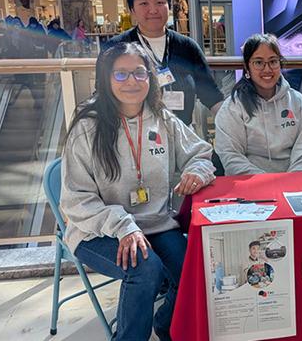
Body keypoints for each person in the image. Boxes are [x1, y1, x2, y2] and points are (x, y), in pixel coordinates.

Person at [61, 42, 215, 341]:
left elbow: (201, 153)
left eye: (139, 73)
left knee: (193, 269)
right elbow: (77, 200)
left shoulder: (162, 118)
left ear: (150, 78)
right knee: (146, 270)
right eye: (120, 75)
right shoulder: (87, 126)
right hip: (98, 231)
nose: (131, 81)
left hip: (154, 223)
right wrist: (123, 226)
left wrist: (197, 171)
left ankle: (167, 326)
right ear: (105, 79)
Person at [103, 0, 224, 126]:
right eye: (144, 3)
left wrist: (233, 129)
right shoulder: (115, 48)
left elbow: (211, 96)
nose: (153, 10)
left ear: (169, 6)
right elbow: (103, 96)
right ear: (132, 9)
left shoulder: (187, 47)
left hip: (180, 137)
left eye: (160, 2)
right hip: (132, 138)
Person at [214, 33, 302, 175]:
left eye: (273, 61)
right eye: (259, 62)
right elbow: (231, 156)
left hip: (291, 183)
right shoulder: (233, 107)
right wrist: (266, 183)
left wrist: (291, 181)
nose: (267, 69)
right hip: (249, 184)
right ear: (247, 67)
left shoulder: (298, 102)